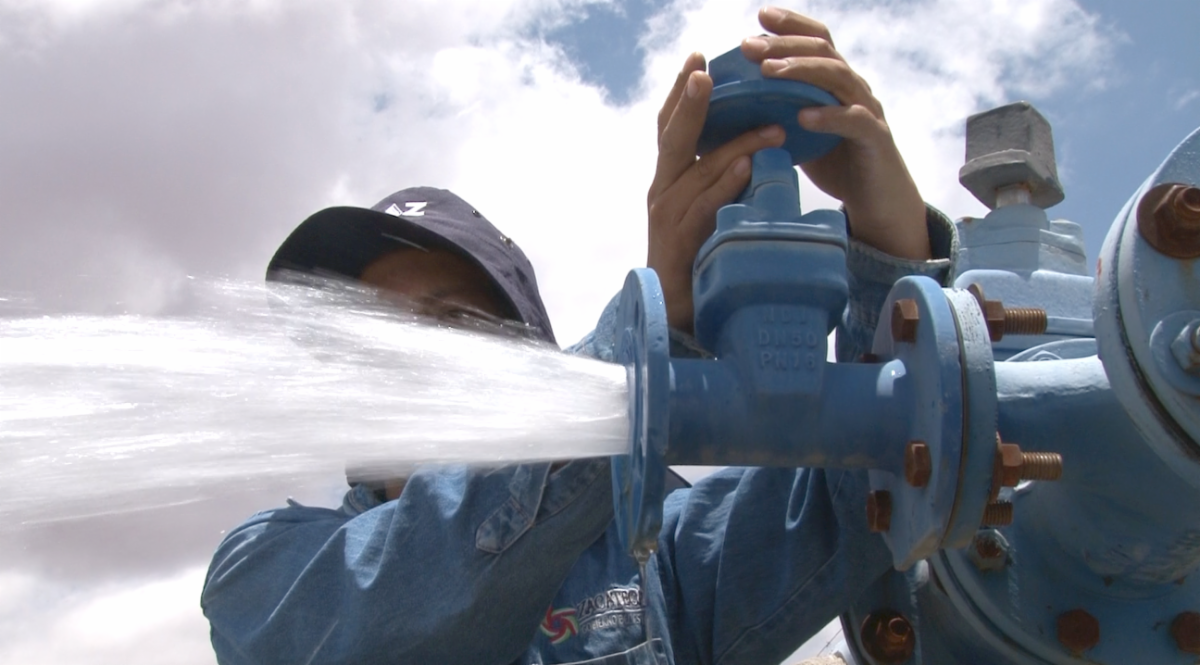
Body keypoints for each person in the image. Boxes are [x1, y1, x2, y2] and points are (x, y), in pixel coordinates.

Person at [200, 7, 954, 665]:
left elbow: (869, 494)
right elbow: (402, 592)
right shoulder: (264, 574)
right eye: (367, 336)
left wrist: (892, 258)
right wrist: (640, 364)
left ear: (538, 362)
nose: (405, 354)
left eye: (452, 321)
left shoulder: (655, 550)